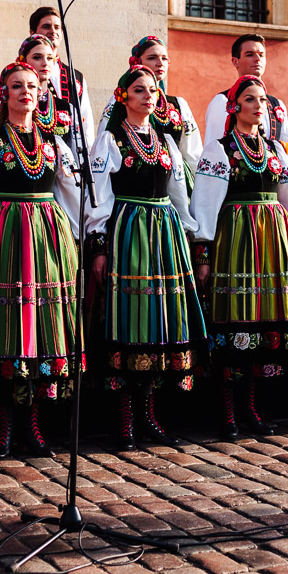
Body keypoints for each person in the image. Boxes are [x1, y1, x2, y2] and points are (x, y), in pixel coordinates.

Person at [0, 62, 81, 457]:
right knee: (8, 325)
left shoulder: (54, 143)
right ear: (4, 94)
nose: (26, 91)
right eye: (16, 86)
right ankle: (6, 426)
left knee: (42, 326)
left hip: (47, 236)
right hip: (6, 235)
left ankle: (34, 425)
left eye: (32, 86)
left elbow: (71, 195)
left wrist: (77, 238)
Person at [188, 76, 288, 437]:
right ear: (234, 106)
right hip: (237, 239)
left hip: (274, 240)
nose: (259, 105)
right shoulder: (219, 149)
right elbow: (206, 204)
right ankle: (227, 411)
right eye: (249, 99)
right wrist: (204, 253)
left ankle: (251, 406)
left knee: (262, 327)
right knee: (235, 323)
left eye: (262, 100)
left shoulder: (275, 149)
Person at [86, 69, 202, 445]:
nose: (148, 96)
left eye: (153, 90)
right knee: (129, 321)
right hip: (130, 230)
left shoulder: (166, 139)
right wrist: (100, 246)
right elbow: (99, 196)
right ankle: (124, 420)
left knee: (159, 322)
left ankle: (149, 413)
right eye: (139, 91)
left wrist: (188, 234)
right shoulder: (111, 140)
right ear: (123, 97)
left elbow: (179, 193)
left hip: (164, 232)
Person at [99, 37, 201, 168]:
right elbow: (105, 137)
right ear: (137, 61)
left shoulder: (178, 105)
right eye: (152, 58)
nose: (160, 63)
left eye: (164, 58)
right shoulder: (122, 99)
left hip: (173, 176)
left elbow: (192, 151)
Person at [202, 34, 288, 149]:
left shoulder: (277, 105)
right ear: (235, 62)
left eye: (261, 55)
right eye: (250, 54)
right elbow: (214, 147)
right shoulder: (223, 101)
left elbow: (287, 153)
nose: (257, 59)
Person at [17, 15, 94, 141]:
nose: (53, 31)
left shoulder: (75, 77)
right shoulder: (11, 83)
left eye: (49, 58)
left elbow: (85, 127)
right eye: (46, 26)